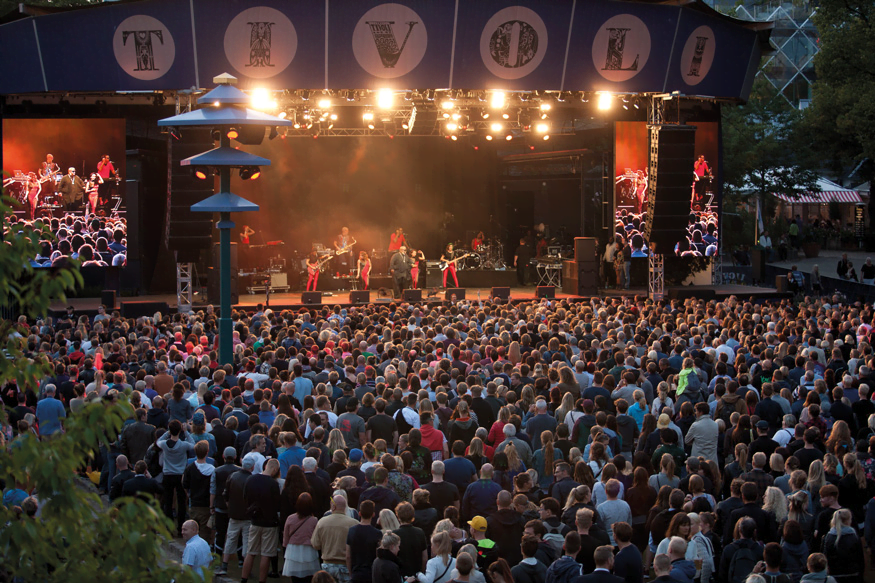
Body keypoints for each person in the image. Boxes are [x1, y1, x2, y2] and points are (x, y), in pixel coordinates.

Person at [312, 495, 359, 583]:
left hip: (327, 566)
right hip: (346, 566)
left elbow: (315, 544)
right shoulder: (354, 523)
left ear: (333, 506)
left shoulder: (322, 522)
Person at [283, 492, 321, 581]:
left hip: (293, 550)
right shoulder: (314, 520)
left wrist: (285, 546)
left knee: (295, 577)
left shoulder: (290, 518)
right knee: (308, 577)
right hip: (309, 551)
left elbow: (286, 536)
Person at [347, 500, 383, 583]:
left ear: (359, 513)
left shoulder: (351, 531)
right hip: (371, 574)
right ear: (373, 514)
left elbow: (348, 556)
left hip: (356, 572)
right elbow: (378, 556)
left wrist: (350, 573)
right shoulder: (377, 533)